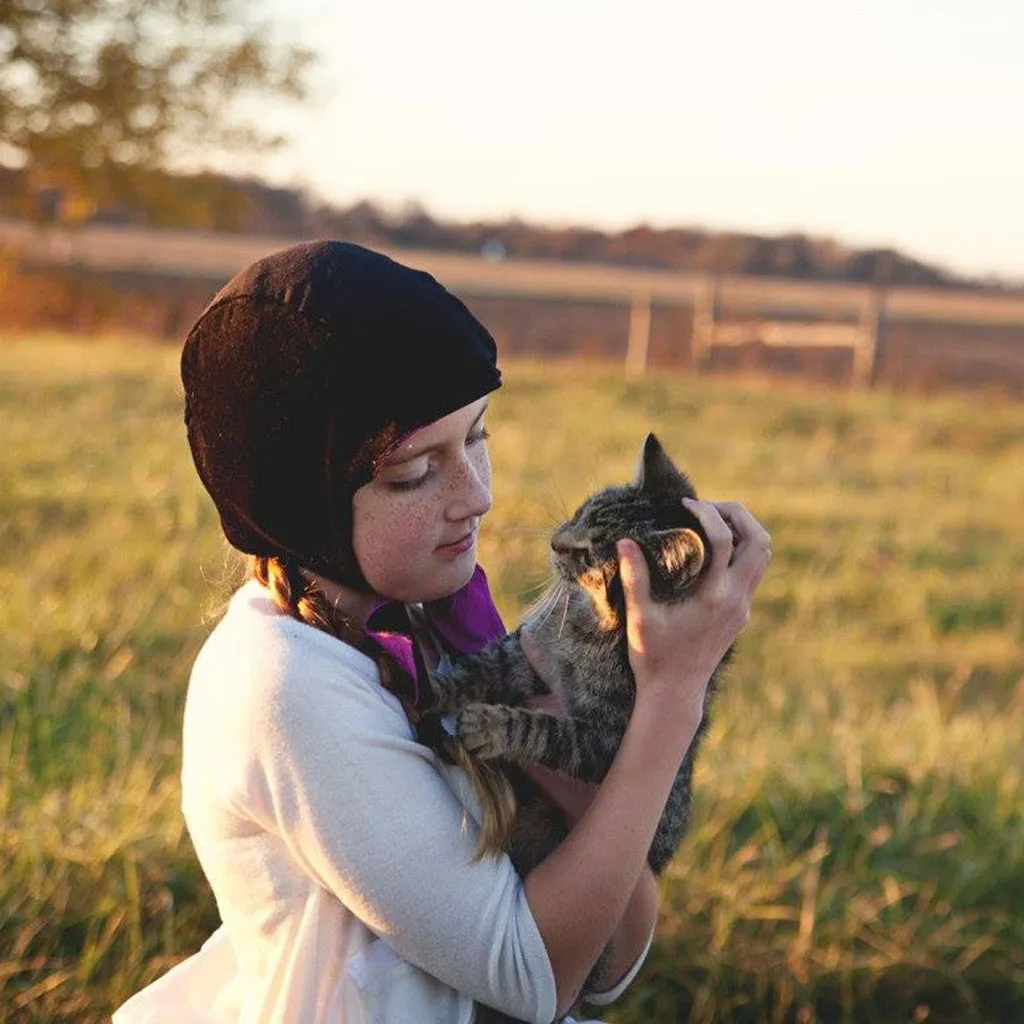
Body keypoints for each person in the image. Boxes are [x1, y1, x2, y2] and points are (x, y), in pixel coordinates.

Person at [112, 241, 770, 1024]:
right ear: (302, 502)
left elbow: (611, 959)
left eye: (478, 437)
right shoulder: (287, 685)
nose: (478, 495)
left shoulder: (439, 622)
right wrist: (673, 696)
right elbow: (536, 981)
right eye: (415, 471)